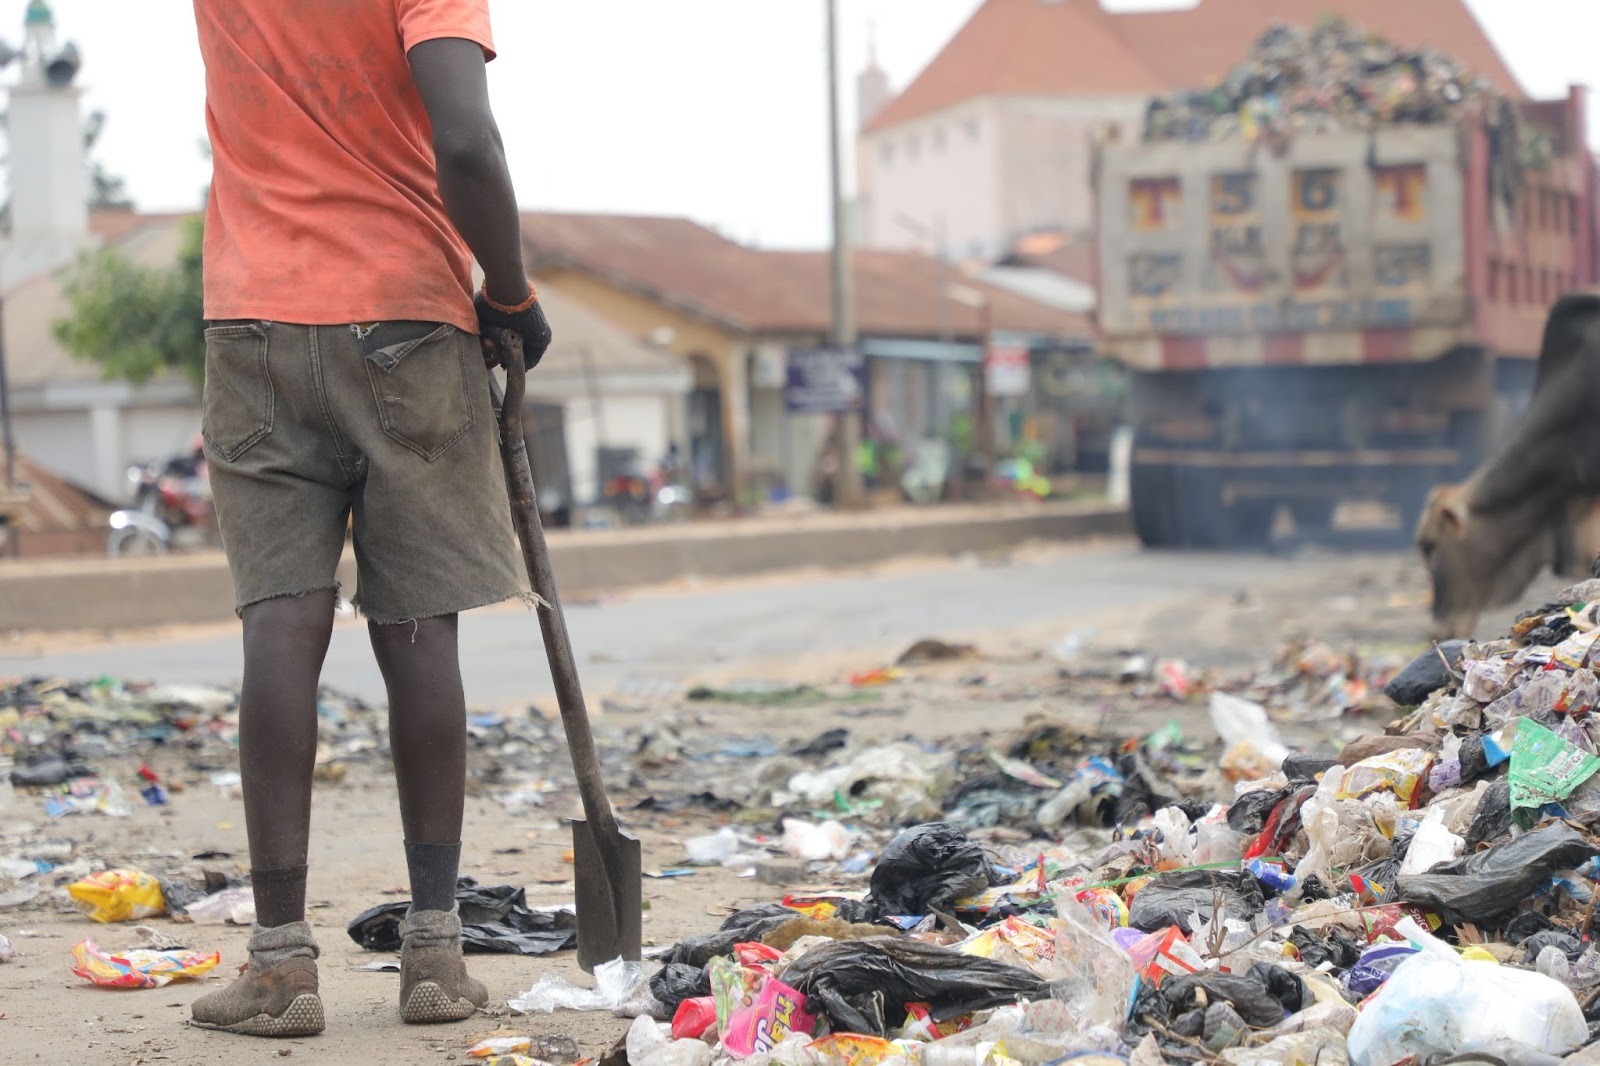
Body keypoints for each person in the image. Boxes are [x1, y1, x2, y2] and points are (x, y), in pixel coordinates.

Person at [187, 1, 551, 1037]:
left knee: (281, 619)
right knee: (418, 624)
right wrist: (513, 296)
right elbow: (467, 142)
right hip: (406, 310)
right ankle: (434, 954)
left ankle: (278, 966)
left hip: (253, 321)